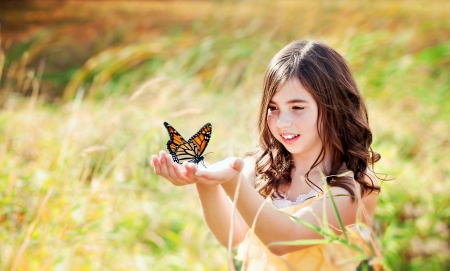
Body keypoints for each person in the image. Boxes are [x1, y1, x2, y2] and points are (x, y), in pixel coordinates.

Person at [151, 40, 382, 271]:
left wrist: (232, 181)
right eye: (273, 108)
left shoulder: (355, 185)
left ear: (334, 107)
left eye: (297, 108)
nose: (282, 122)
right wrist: (204, 179)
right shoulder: (263, 168)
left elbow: (285, 239)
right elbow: (232, 236)